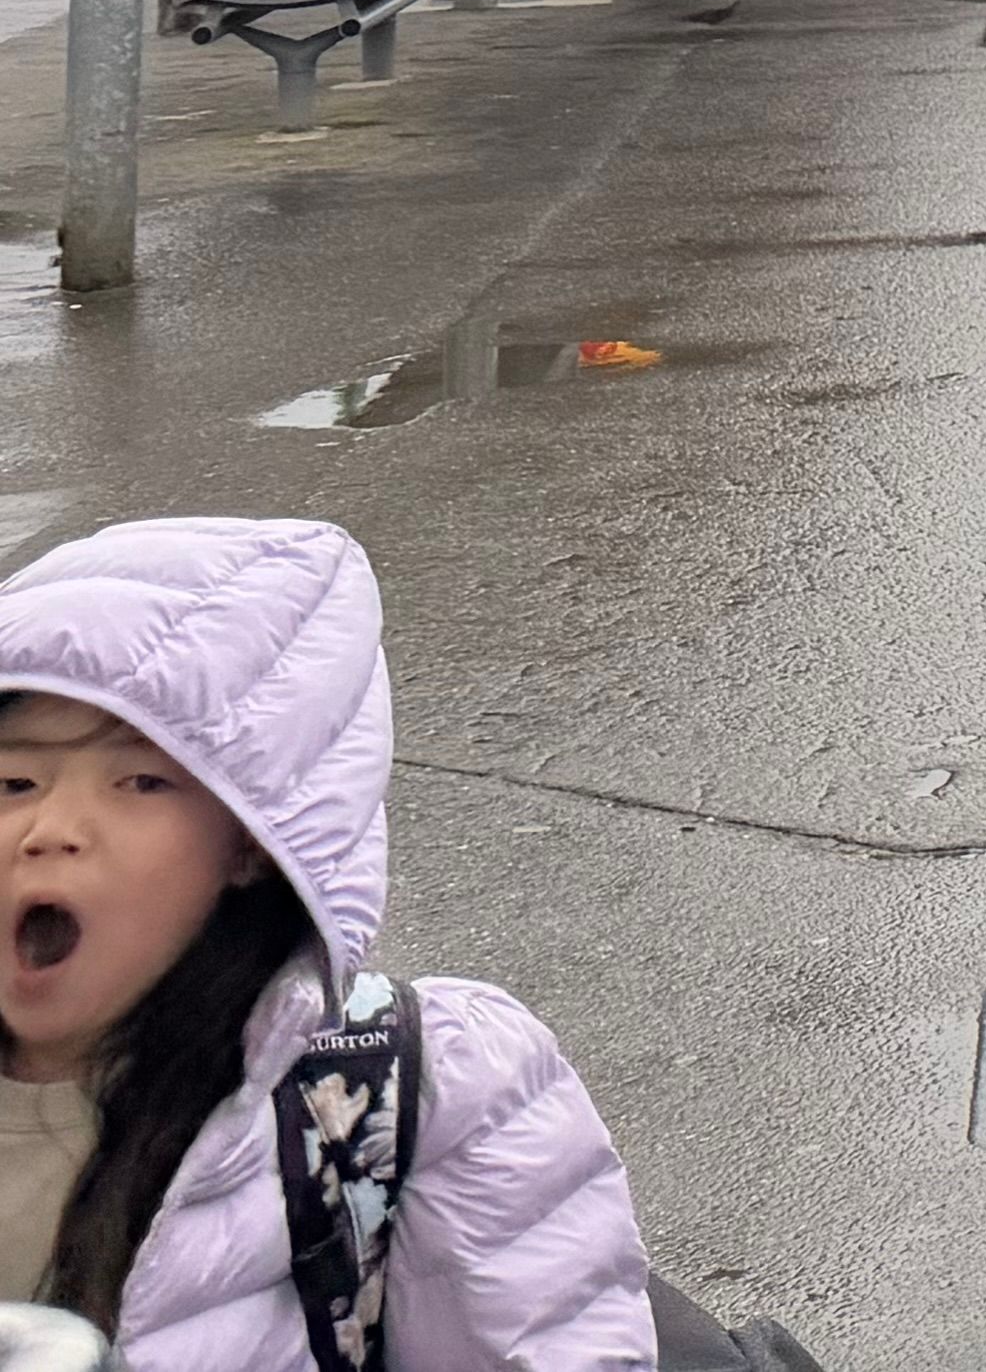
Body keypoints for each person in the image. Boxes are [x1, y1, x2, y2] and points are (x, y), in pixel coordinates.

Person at [1, 512, 650, 1362]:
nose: (51, 830)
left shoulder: (420, 1094)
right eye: (14, 778)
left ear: (250, 844)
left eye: (140, 781)